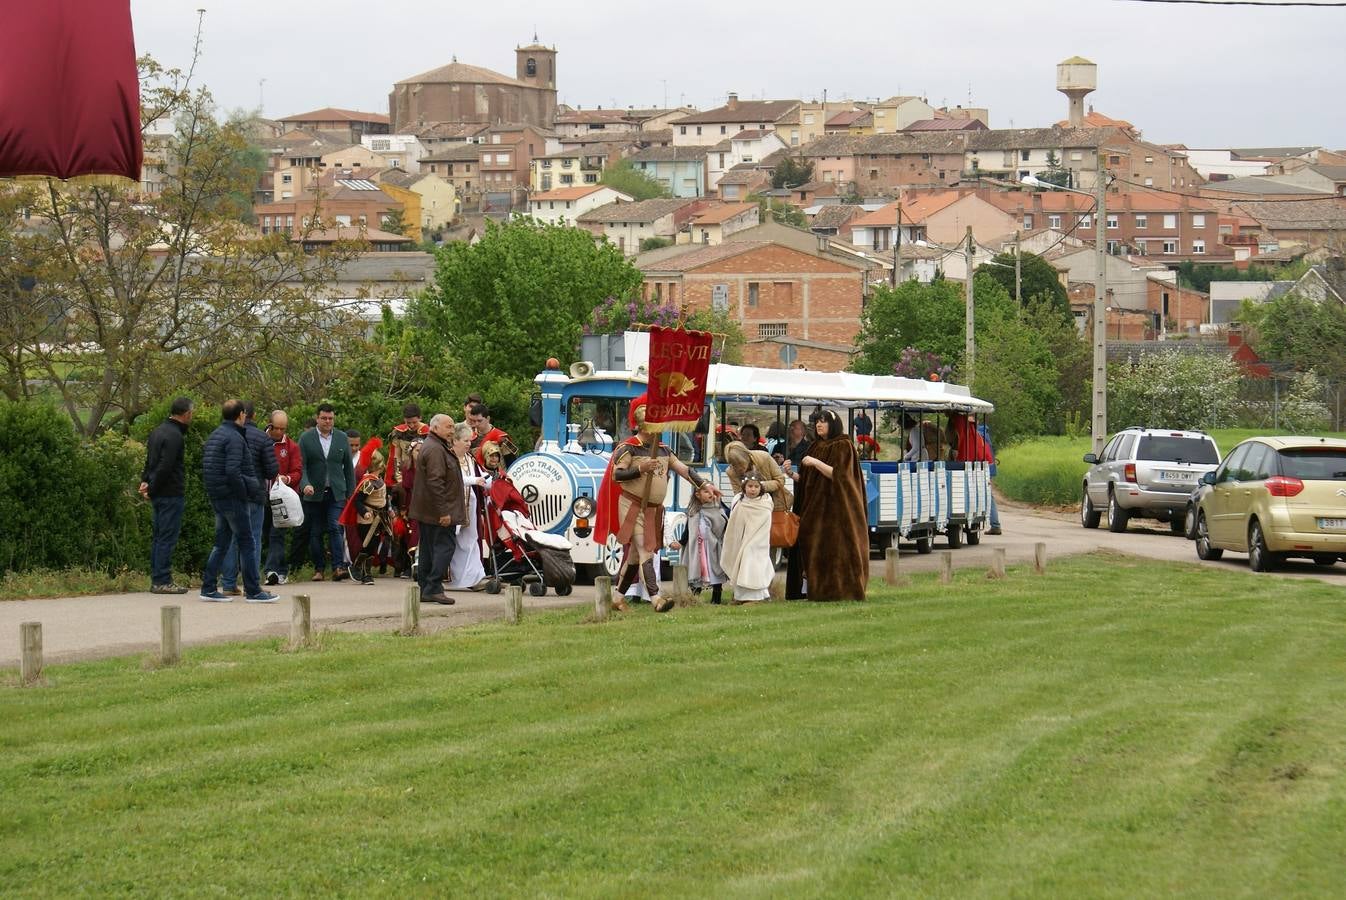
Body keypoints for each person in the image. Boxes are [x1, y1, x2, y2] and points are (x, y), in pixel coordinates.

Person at [593, 392, 720, 613]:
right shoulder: (628, 448)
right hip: (632, 506)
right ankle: (656, 599)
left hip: (653, 510)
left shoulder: (663, 450)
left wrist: (704, 485)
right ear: (643, 426)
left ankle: (617, 598)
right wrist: (641, 468)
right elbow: (617, 475)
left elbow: (684, 470)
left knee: (635, 555)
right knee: (645, 550)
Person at [199, 399, 277, 603]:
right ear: (241, 415)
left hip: (218, 496)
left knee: (222, 543)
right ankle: (253, 590)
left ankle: (208, 587)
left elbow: (209, 467)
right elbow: (233, 470)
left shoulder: (215, 435)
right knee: (248, 542)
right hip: (233, 498)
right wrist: (244, 492)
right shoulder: (234, 437)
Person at [786, 409, 868, 602]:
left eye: (823, 422)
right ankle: (810, 588)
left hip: (835, 509)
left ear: (833, 424)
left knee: (832, 547)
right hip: (813, 508)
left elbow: (841, 475)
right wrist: (792, 474)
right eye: (817, 422)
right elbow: (808, 479)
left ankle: (836, 589)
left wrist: (815, 462)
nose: (819, 425)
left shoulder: (843, 445)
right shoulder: (816, 446)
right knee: (808, 544)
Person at [220, 402, 279, 596]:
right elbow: (271, 470)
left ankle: (228, 583)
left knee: (231, 539)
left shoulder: (225, 435)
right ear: (250, 415)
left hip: (230, 494)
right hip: (254, 494)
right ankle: (251, 585)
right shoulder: (263, 438)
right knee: (252, 539)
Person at [408, 414, 465, 605]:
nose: (452, 430)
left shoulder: (435, 446)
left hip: (430, 511)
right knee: (444, 547)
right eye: (448, 427)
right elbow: (435, 482)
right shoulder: (435, 449)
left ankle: (426, 589)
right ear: (435, 428)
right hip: (438, 512)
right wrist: (444, 512)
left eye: (452, 427)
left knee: (429, 549)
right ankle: (433, 587)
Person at [140, 396, 194, 594]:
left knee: (159, 536)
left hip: (158, 491)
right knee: (167, 537)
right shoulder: (175, 436)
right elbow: (165, 466)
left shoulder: (158, 431)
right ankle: (162, 579)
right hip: (170, 492)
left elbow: (150, 461)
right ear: (186, 414)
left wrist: (145, 481)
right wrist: (152, 486)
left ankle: (157, 577)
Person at [298, 403, 356, 582]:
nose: (327, 421)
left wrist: (351, 493)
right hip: (314, 493)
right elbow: (302, 466)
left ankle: (338, 567)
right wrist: (305, 484)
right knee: (315, 531)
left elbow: (348, 468)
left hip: (336, 492)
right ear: (317, 419)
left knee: (334, 527)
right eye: (324, 418)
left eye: (330, 418)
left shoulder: (341, 438)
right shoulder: (306, 438)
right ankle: (319, 569)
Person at [339, 439, 392, 585]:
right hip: (368, 519)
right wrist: (364, 513)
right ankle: (364, 573)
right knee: (368, 545)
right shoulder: (368, 482)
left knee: (373, 545)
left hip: (379, 518)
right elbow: (357, 501)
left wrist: (389, 510)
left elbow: (383, 499)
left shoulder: (378, 480)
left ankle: (359, 569)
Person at [386, 403, 430, 576]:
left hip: (422, 477)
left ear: (419, 418)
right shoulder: (399, 432)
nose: (411, 426)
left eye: (413, 422)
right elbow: (396, 457)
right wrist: (398, 478)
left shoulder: (427, 432)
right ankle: (402, 564)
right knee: (401, 524)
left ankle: (419, 561)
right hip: (404, 477)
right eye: (408, 422)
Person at [720, 473, 776, 604]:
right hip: (741, 538)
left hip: (758, 542)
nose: (753, 489)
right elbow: (735, 521)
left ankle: (756, 597)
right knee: (741, 562)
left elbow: (764, 523)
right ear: (744, 487)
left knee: (752, 562)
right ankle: (740, 596)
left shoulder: (765, 502)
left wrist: (754, 540)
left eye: (756, 486)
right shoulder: (739, 500)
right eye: (750, 486)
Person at [448, 421, 490, 591]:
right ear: (455, 440)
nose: (469, 443)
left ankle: (474, 576)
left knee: (471, 540)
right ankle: (456, 579)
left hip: (469, 504)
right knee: (453, 542)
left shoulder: (469, 457)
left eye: (469, 440)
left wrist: (496, 479)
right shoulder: (449, 457)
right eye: (465, 440)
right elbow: (452, 479)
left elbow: (481, 475)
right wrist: (474, 480)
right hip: (453, 505)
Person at [263, 409, 302, 586]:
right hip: (261, 496)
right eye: (276, 428)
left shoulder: (291, 447)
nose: (279, 432)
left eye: (283, 429)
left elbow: (297, 472)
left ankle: (270, 570)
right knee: (264, 534)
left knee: (277, 534)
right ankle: (281, 570)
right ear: (269, 425)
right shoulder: (260, 441)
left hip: (281, 500)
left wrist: (286, 478)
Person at [677, 482, 728, 604]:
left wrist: (719, 501)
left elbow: (722, 525)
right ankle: (695, 598)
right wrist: (681, 542)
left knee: (715, 572)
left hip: (712, 548)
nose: (710, 494)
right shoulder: (693, 511)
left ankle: (716, 598)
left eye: (712, 491)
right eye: (706, 491)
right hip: (697, 549)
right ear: (697, 494)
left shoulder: (717, 509)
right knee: (696, 570)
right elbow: (688, 529)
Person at [724, 440, 792, 513]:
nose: (739, 468)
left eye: (741, 463)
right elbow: (738, 495)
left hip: (776, 505)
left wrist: (759, 486)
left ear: (746, 455)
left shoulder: (764, 457)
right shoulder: (731, 472)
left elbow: (780, 480)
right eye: (734, 465)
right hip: (751, 509)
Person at [978, 421, 1002, 536]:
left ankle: (995, 525)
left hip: (985, 468)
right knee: (988, 496)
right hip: (990, 467)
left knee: (988, 496)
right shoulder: (985, 435)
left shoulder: (978, 435)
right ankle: (995, 525)